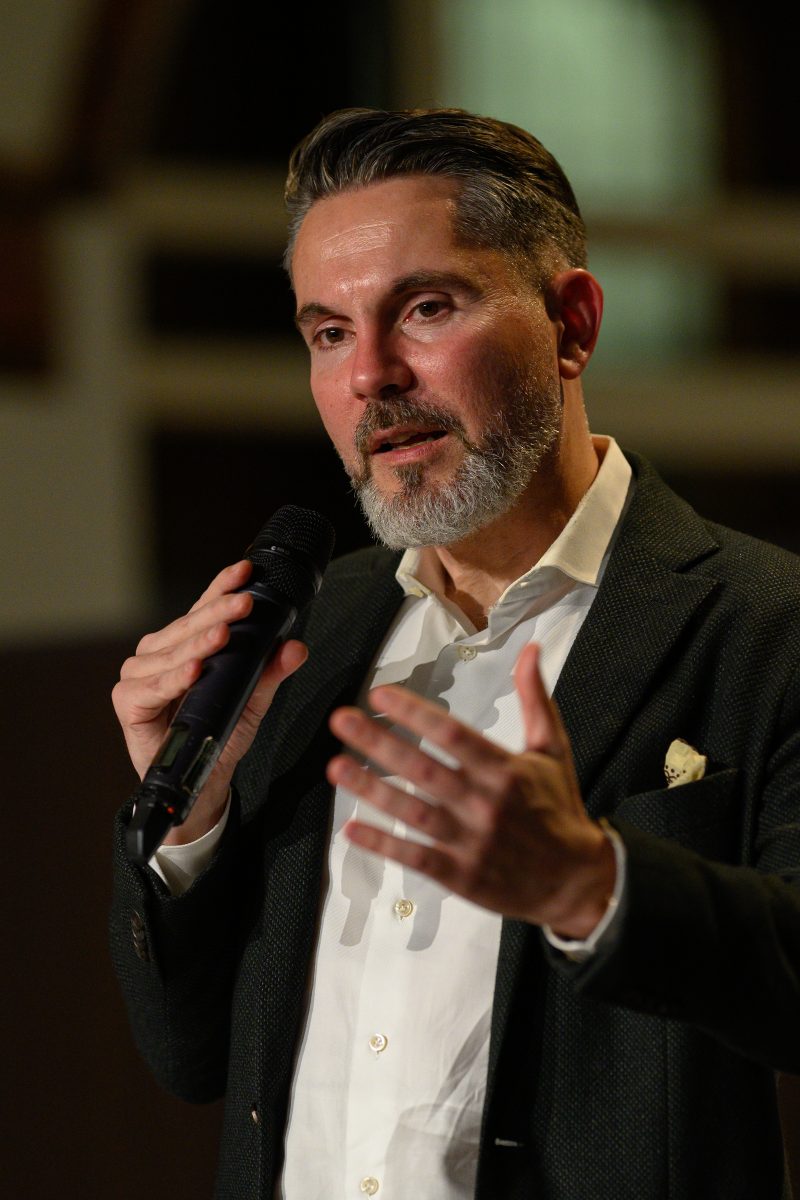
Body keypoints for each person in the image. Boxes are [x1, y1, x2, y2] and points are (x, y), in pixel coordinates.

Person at [109, 107, 800, 1200]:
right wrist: (186, 809)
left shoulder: (761, 625)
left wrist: (592, 887)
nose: (370, 375)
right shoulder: (299, 644)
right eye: (327, 332)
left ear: (570, 323)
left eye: (424, 308)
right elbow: (190, 1060)